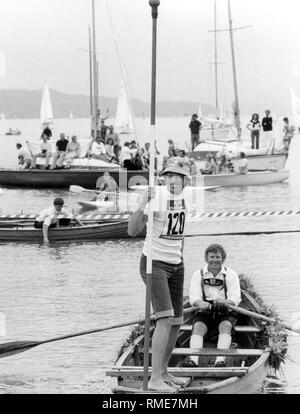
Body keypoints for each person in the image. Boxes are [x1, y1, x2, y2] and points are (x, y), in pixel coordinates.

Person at [128, 158, 192, 392]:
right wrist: (142, 204)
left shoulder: (188, 197)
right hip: (154, 264)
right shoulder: (158, 198)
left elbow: (181, 232)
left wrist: (180, 258)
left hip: (176, 264)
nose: (171, 179)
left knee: (176, 321)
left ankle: (164, 372)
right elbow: (132, 230)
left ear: (186, 179)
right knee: (165, 318)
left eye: (177, 175)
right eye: (168, 175)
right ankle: (154, 379)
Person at [185, 244, 241, 368]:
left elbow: (236, 298)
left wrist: (225, 302)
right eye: (211, 257)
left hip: (225, 310)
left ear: (223, 259)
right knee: (198, 327)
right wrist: (200, 303)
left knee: (226, 326)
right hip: (205, 309)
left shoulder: (231, 274)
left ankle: (220, 361)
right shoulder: (198, 274)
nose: (214, 260)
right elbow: (194, 296)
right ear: (206, 259)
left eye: (218, 257)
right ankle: (193, 360)